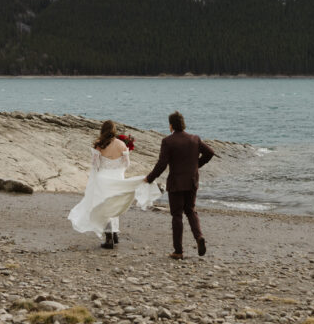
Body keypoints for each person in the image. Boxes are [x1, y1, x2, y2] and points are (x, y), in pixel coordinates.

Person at [68, 119, 161, 249]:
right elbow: (126, 164)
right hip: (117, 177)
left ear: (103, 130)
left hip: (103, 179)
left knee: (104, 207)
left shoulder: (99, 144)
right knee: (113, 205)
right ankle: (114, 234)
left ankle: (109, 238)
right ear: (114, 130)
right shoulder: (122, 144)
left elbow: (95, 165)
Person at [145, 110, 215, 260]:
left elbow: (162, 164)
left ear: (171, 125)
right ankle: (199, 237)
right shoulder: (194, 139)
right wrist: (196, 166)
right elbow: (210, 152)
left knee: (177, 215)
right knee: (190, 211)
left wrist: (149, 178)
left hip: (176, 183)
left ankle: (178, 251)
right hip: (192, 181)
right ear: (183, 124)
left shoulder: (168, 141)